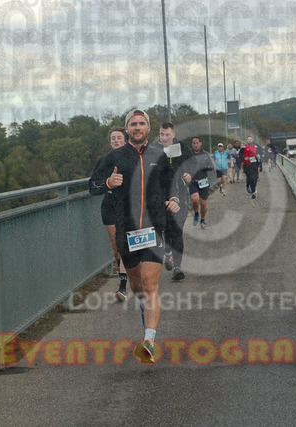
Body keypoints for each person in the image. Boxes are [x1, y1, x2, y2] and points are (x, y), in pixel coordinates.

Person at [88, 109, 181, 364]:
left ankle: (149, 341)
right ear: (126, 128)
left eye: (141, 123)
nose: (137, 127)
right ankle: (142, 306)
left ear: (148, 128)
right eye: (133, 124)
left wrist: (174, 198)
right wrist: (108, 183)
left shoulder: (160, 155)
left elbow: (172, 183)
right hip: (126, 231)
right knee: (137, 286)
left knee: (150, 285)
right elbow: (92, 186)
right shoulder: (113, 157)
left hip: (154, 229)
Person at [90, 127, 129, 301]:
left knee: (125, 246)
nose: (116, 140)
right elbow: (92, 186)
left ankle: (122, 286)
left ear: (125, 140)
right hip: (110, 206)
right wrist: (108, 183)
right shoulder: (104, 160)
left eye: (119, 137)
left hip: (128, 207)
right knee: (116, 251)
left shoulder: (133, 158)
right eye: (113, 138)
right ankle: (126, 275)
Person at [158, 122, 192, 281]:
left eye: (167, 134)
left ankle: (177, 267)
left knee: (177, 230)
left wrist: (189, 175)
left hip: (181, 194)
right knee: (165, 229)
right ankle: (167, 251)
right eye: (162, 134)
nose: (164, 138)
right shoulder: (155, 149)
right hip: (162, 195)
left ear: (173, 134)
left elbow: (192, 164)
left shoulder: (182, 148)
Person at [188, 136, 215, 230]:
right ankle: (196, 213)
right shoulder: (189, 154)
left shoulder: (205, 154)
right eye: (194, 143)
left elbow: (211, 167)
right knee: (195, 199)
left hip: (203, 181)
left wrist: (204, 166)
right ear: (192, 144)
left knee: (203, 203)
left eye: (197, 143)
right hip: (193, 181)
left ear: (200, 143)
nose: (195, 145)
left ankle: (203, 220)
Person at [240, 135, 260, 199]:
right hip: (247, 165)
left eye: (250, 139)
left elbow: (260, 153)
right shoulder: (244, 147)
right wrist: (244, 158)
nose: (249, 140)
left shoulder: (256, 146)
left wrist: (258, 156)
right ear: (247, 140)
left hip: (254, 164)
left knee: (254, 177)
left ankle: (253, 192)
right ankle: (248, 185)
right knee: (249, 177)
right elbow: (240, 155)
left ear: (252, 140)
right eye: (248, 139)